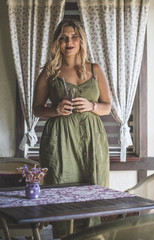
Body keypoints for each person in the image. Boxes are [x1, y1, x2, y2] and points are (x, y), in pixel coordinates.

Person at [33, 19, 111, 237]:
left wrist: (92, 105)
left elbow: (107, 107)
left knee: (93, 189)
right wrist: (55, 109)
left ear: (81, 40)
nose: (69, 42)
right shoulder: (50, 71)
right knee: (62, 191)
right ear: (57, 42)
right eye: (63, 38)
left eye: (74, 37)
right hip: (60, 140)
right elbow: (37, 109)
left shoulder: (94, 69)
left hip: (92, 139)